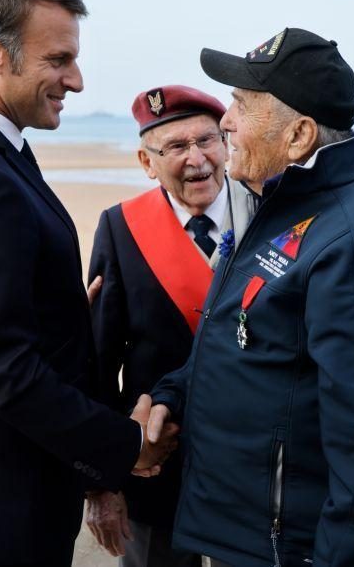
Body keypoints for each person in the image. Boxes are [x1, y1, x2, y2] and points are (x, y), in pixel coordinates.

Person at [0, 0, 176, 567]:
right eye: (59, 60)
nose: (75, 81)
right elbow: (2, 369)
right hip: (7, 489)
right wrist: (126, 447)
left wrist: (62, 313)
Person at [146, 28, 354, 567]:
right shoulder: (284, 206)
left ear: (299, 135)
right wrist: (175, 394)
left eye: (242, 105)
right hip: (244, 537)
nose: (226, 123)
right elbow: (250, 344)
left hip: (294, 551)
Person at [85, 85, 257, 565]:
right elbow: (100, 362)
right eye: (176, 147)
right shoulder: (121, 227)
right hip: (155, 467)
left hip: (253, 466)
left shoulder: (268, 215)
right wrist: (103, 482)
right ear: (147, 161)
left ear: (227, 144)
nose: (197, 159)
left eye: (207, 141)